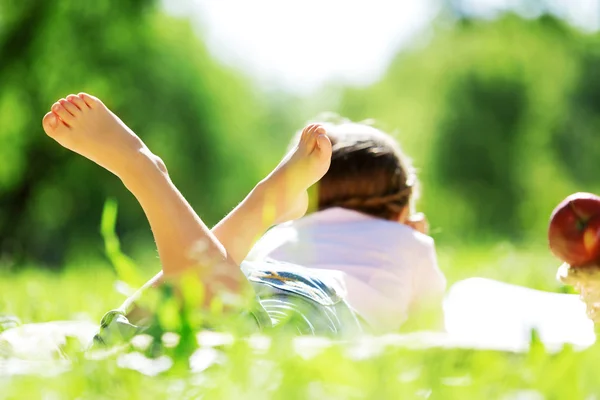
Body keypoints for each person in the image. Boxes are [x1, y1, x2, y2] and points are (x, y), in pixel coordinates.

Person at [40, 93, 362, 346]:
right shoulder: (408, 246)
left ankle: (249, 204)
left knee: (125, 342)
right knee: (232, 342)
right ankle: (149, 176)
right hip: (296, 309)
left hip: (258, 284)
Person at [248, 118, 447, 333]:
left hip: (268, 295)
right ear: (401, 209)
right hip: (335, 313)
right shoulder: (410, 242)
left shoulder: (277, 235)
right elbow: (429, 327)